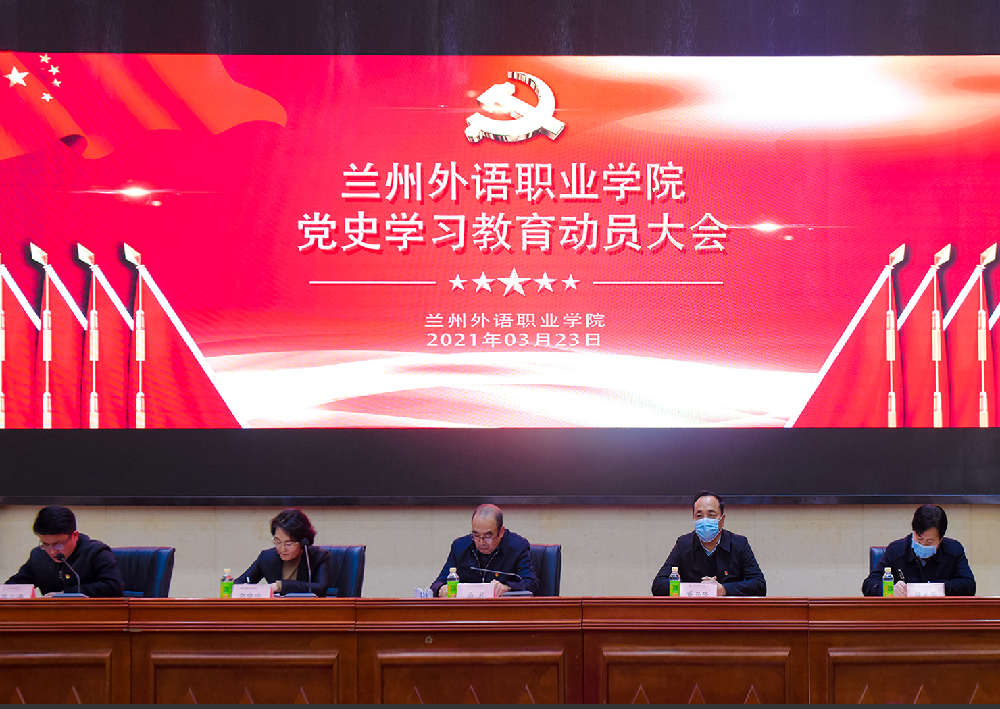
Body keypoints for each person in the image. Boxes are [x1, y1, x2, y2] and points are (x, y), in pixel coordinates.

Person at [652, 491, 766, 597]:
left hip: (729, 610)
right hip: (693, 610)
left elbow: (759, 585)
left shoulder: (739, 544)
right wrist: (694, 589)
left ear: (722, 520)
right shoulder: (683, 544)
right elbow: (658, 585)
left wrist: (724, 589)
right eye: (699, 516)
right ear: (694, 519)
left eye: (711, 515)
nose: (704, 520)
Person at [5, 505, 124, 597]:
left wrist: (65, 594)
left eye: (58, 545)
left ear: (74, 536)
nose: (52, 551)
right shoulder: (38, 555)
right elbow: (15, 585)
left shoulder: (96, 552)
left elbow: (114, 586)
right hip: (51, 617)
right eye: (45, 544)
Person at [863, 504, 975, 597]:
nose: (923, 544)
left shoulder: (953, 550)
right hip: (903, 613)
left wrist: (936, 587)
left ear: (940, 539)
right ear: (914, 531)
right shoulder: (896, 550)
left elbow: (969, 585)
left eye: (930, 542)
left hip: (940, 613)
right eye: (919, 539)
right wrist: (891, 590)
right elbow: (869, 585)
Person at [431, 504, 539, 597]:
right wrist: (442, 588)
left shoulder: (517, 547)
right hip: (467, 611)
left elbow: (531, 584)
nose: (481, 542)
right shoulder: (460, 547)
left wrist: (507, 587)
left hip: (502, 610)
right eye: (476, 535)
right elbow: (437, 584)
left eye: (488, 537)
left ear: (501, 532)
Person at [239, 509, 332, 596]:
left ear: (303, 541)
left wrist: (280, 586)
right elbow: (239, 584)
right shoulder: (266, 557)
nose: (282, 549)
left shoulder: (319, 556)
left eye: (288, 544)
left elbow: (320, 588)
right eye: (278, 542)